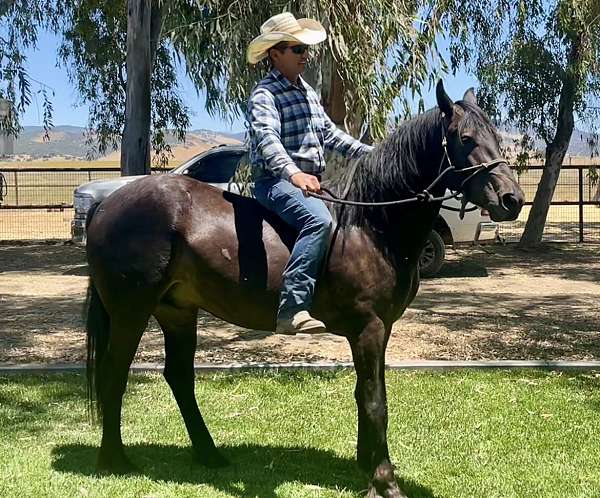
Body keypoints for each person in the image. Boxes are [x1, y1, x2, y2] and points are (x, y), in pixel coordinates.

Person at [246, 12, 373, 335]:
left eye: (306, 49)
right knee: (319, 220)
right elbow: (267, 141)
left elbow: (330, 135)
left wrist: (375, 155)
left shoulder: (307, 92)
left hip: (311, 180)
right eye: (298, 49)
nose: (306, 55)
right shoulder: (265, 95)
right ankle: (292, 308)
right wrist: (293, 175)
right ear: (276, 54)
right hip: (275, 182)